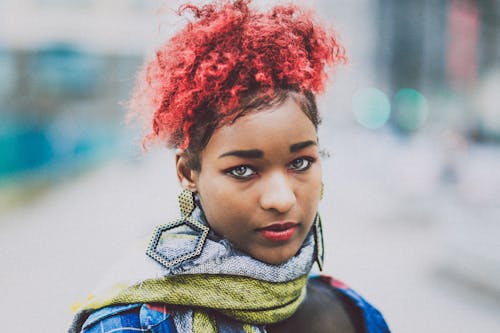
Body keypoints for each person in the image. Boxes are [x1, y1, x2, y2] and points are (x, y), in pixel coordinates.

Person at [69, 1, 390, 332]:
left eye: (300, 162)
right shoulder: (133, 325)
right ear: (188, 173)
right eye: (243, 170)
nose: (281, 199)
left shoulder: (355, 314)